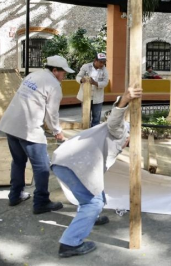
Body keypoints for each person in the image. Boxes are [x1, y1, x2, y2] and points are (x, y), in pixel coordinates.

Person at [51, 85, 142, 258]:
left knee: (95, 194)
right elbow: (115, 120)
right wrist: (125, 100)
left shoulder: (114, 136)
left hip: (63, 162)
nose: (130, 144)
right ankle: (69, 244)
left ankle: (90, 218)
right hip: (73, 165)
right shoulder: (120, 131)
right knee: (93, 203)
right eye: (132, 141)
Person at [0, 55, 74, 214]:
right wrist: (57, 131)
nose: (64, 76)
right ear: (54, 70)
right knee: (42, 167)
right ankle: (41, 202)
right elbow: (52, 114)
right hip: (28, 128)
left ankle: (15, 195)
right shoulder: (54, 84)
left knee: (18, 162)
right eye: (63, 73)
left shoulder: (33, 75)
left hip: (10, 124)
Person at [76, 52, 110, 127]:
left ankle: (94, 132)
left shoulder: (105, 70)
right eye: (101, 62)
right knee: (86, 116)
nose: (102, 64)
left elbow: (105, 82)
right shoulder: (86, 66)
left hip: (97, 97)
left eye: (104, 62)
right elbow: (78, 77)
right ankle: (86, 131)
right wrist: (81, 80)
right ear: (95, 60)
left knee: (96, 117)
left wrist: (95, 83)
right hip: (86, 95)